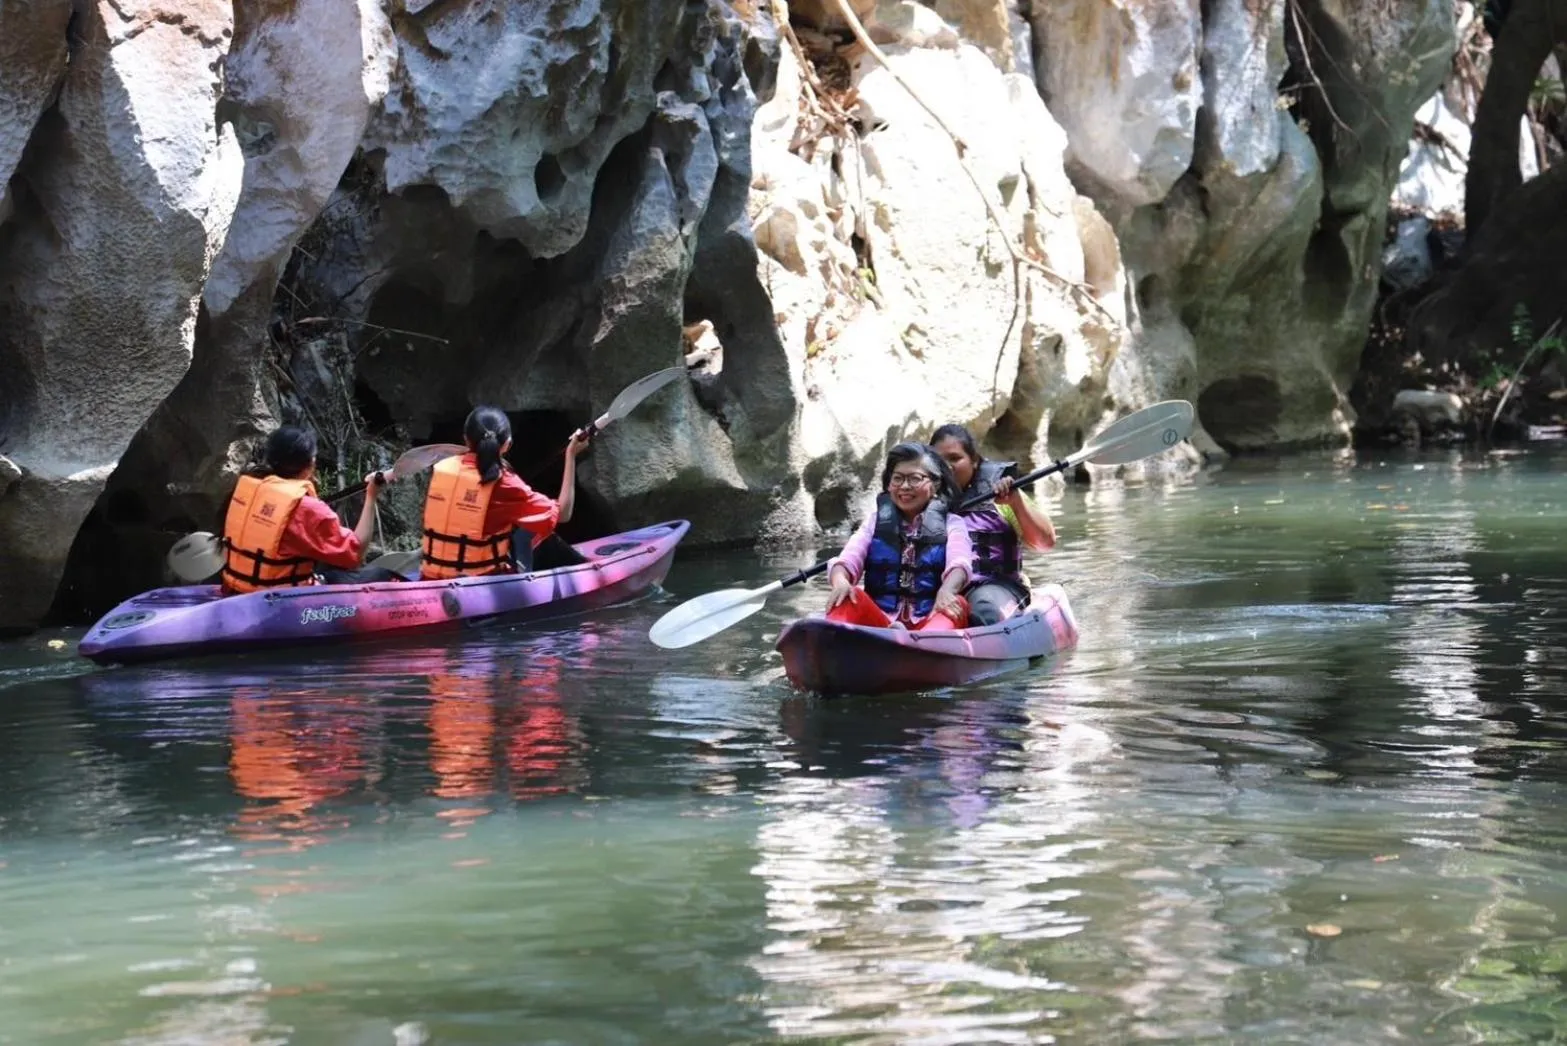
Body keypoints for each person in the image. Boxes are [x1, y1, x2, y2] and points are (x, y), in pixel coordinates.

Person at [220, 425, 398, 594]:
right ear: (311, 463)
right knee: (382, 575)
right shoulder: (305, 508)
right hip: (281, 600)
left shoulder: (247, 490)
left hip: (238, 587)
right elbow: (354, 554)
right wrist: (371, 496)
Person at [419, 406, 591, 581]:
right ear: (508, 444)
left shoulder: (443, 469)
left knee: (521, 528)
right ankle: (586, 572)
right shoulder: (504, 483)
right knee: (538, 532)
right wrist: (571, 455)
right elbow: (563, 514)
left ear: (465, 439)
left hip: (430, 577)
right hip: (480, 583)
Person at [824, 442, 973, 631]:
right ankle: (828, 637)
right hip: (881, 623)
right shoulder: (874, 522)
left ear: (935, 484)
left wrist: (947, 590)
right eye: (898, 479)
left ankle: (918, 643)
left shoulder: (952, 523)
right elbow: (848, 559)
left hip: (931, 619)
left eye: (915, 479)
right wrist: (840, 582)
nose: (904, 486)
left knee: (957, 603)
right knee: (849, 595)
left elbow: (960, 563)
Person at [930, 423, 1056, 625]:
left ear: (974, 461)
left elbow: (1045, 543)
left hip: (995, 587)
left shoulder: (1002, 495)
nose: (947, 466)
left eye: (955, 458)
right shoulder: (920, 498)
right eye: (939, 460)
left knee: (984, 609)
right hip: (939, 589)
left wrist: (1015, 502)